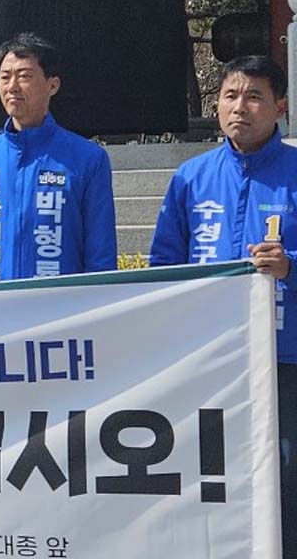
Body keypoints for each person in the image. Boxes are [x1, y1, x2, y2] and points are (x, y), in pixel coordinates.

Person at [148, 54, 297, 556]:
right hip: (209, 358)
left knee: (285, 474)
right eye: (230, 95)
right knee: (209, 471)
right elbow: (164, 265)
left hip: (284, 357)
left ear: (280, 107)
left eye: (254, 97)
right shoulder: (191, 177)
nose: (240, 107)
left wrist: (290, 265)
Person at [0, 32, 117, 283]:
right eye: (5, 77)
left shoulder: (87, 160)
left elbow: (100, 257)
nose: (12, 86)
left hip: (58, 305)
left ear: (52, 85)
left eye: (24, 76)